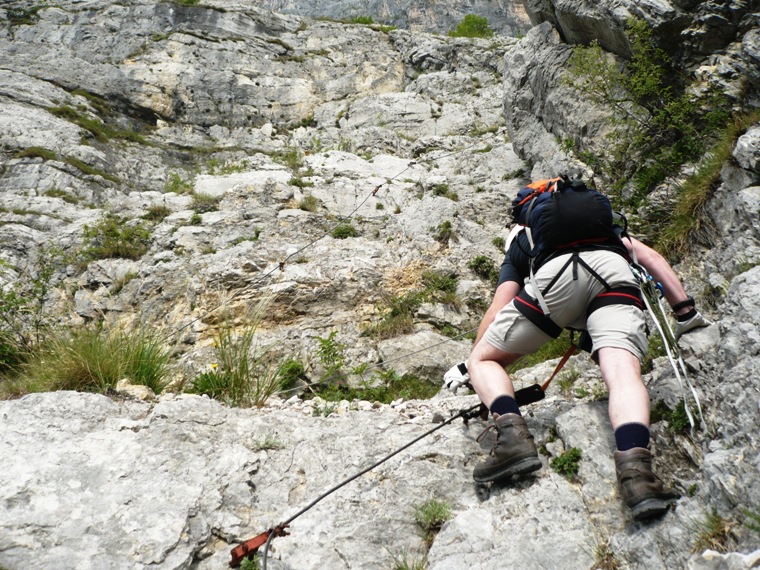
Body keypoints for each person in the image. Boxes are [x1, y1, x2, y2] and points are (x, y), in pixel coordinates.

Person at [445, 178, 709, 521]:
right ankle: (638, 478)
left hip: (558, 279)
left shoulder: (523, 240)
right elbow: (648, 257)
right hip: (613, 275)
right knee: (623, 376)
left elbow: (499, 309)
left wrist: (471, 364)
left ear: (527, 215)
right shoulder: (602, 224)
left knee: (484, 359)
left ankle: (513, 441)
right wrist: (685, 312)